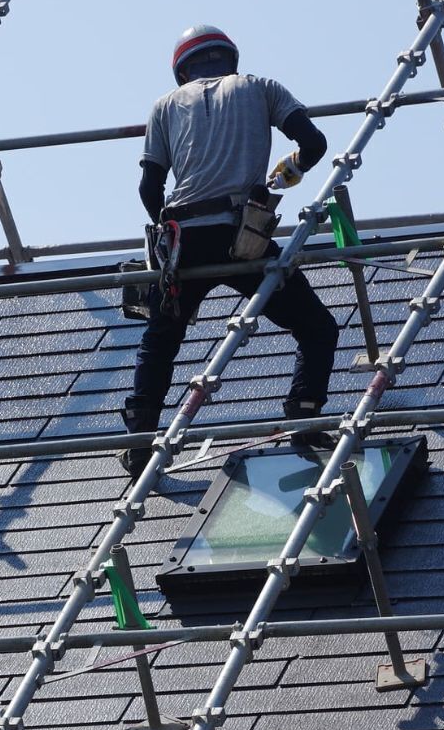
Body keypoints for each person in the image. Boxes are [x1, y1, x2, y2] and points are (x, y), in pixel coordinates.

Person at [121, 25, 340, 475]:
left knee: (162, 337)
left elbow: (149, 186)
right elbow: (314, 144)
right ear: (230, 59)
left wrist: (163, 233)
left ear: (182, 70)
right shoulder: (260, 88)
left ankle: (141, 439)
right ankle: (303, 410)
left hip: (186, 237)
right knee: (316, 326)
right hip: (244, 233)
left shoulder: (164, 105)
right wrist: (282, 178)